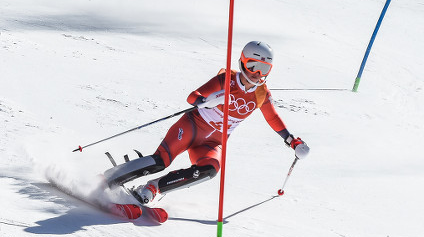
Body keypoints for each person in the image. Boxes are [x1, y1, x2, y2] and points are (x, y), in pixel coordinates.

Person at [103, 41, 309, 204]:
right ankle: (106, 179)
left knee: (209, 169)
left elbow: (272, 118)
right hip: (192, 127)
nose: (257, 74)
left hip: (212, 143)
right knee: (161, 161)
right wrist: (207, 102)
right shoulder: (227, 80)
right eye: (253, 66)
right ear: (243, 62)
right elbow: (193, 97)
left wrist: (292, 141)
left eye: (264, 69)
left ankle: (152, 188)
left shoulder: (262, 94)